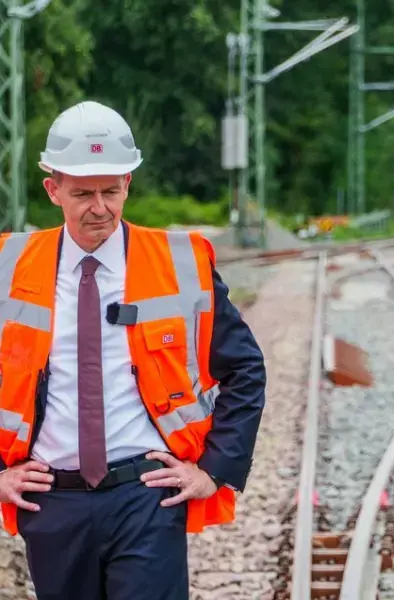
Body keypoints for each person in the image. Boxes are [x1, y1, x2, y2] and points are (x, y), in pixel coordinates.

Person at [0, 100, 267, 599]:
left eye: (111, 191)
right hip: (52, 503)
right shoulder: (8, 266)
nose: (98, 207)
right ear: (52, 189)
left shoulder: (181, 263)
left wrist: (214, 470)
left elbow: (245, 369)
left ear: (129, 184)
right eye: (82, 193)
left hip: (146, 497)